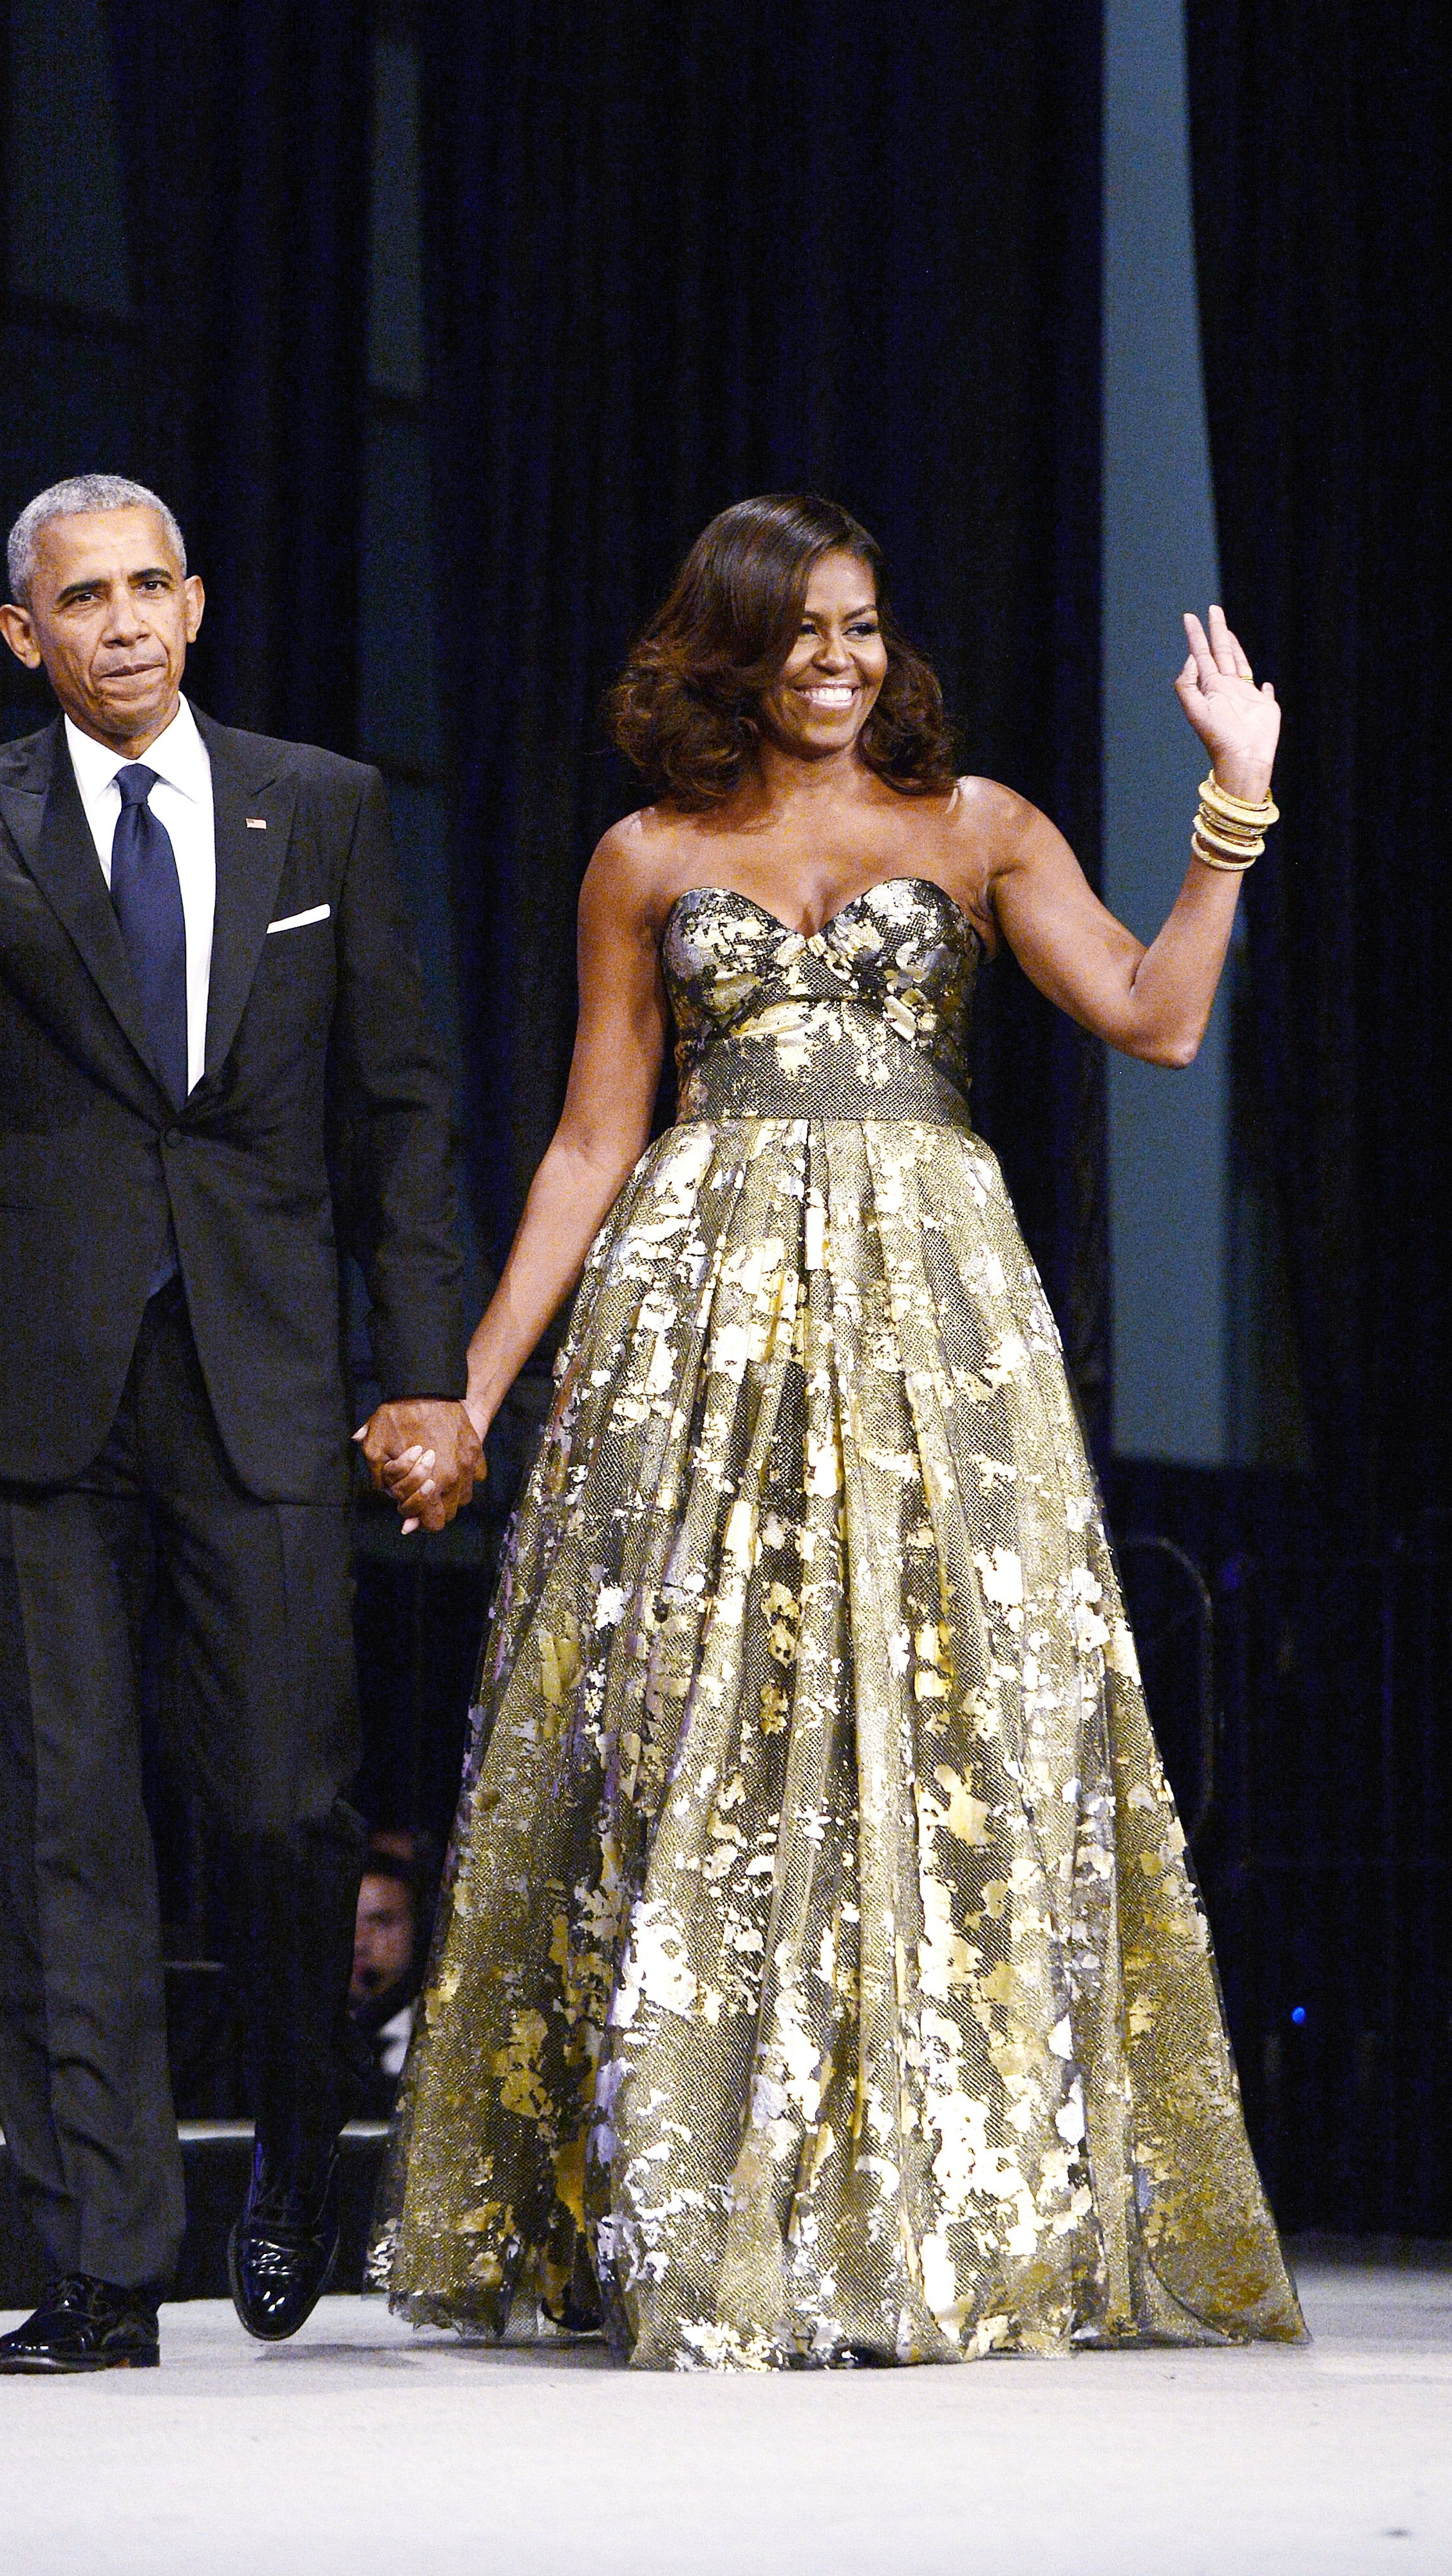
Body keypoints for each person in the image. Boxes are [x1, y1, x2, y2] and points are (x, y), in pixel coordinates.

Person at [372, 493, 1306, 2368]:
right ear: (724, 648)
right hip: (695, 1335)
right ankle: (693, 2209)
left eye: (860, 627)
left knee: (940, 1732)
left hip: (930, 1339)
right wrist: (472, 1388)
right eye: (797, 631)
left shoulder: (974, 830)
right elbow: (584, 1142)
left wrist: (1233, 798)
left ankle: (935, 2212)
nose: (835, 662)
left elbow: (1153, 1011)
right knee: (696, 1746)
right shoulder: (642, 856)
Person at [0, 457, 481, 2371]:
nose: (126, 619)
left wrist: (421, 1371)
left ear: (196, 602)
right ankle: (97, 2260)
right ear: (23, 630)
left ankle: (297, 2151)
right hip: (34, 1376)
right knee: (64, 1831)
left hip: (263, 1376)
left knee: (285, 1805)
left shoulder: (317, 804)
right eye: (86, 597)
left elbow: (396, 1109)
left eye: (152, 585)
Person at [347, 1849, 428, 2114]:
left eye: (380, 1922)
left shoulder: (434, 2041)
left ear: (417, 1929)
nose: (358, 1942)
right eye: (345, 1921)